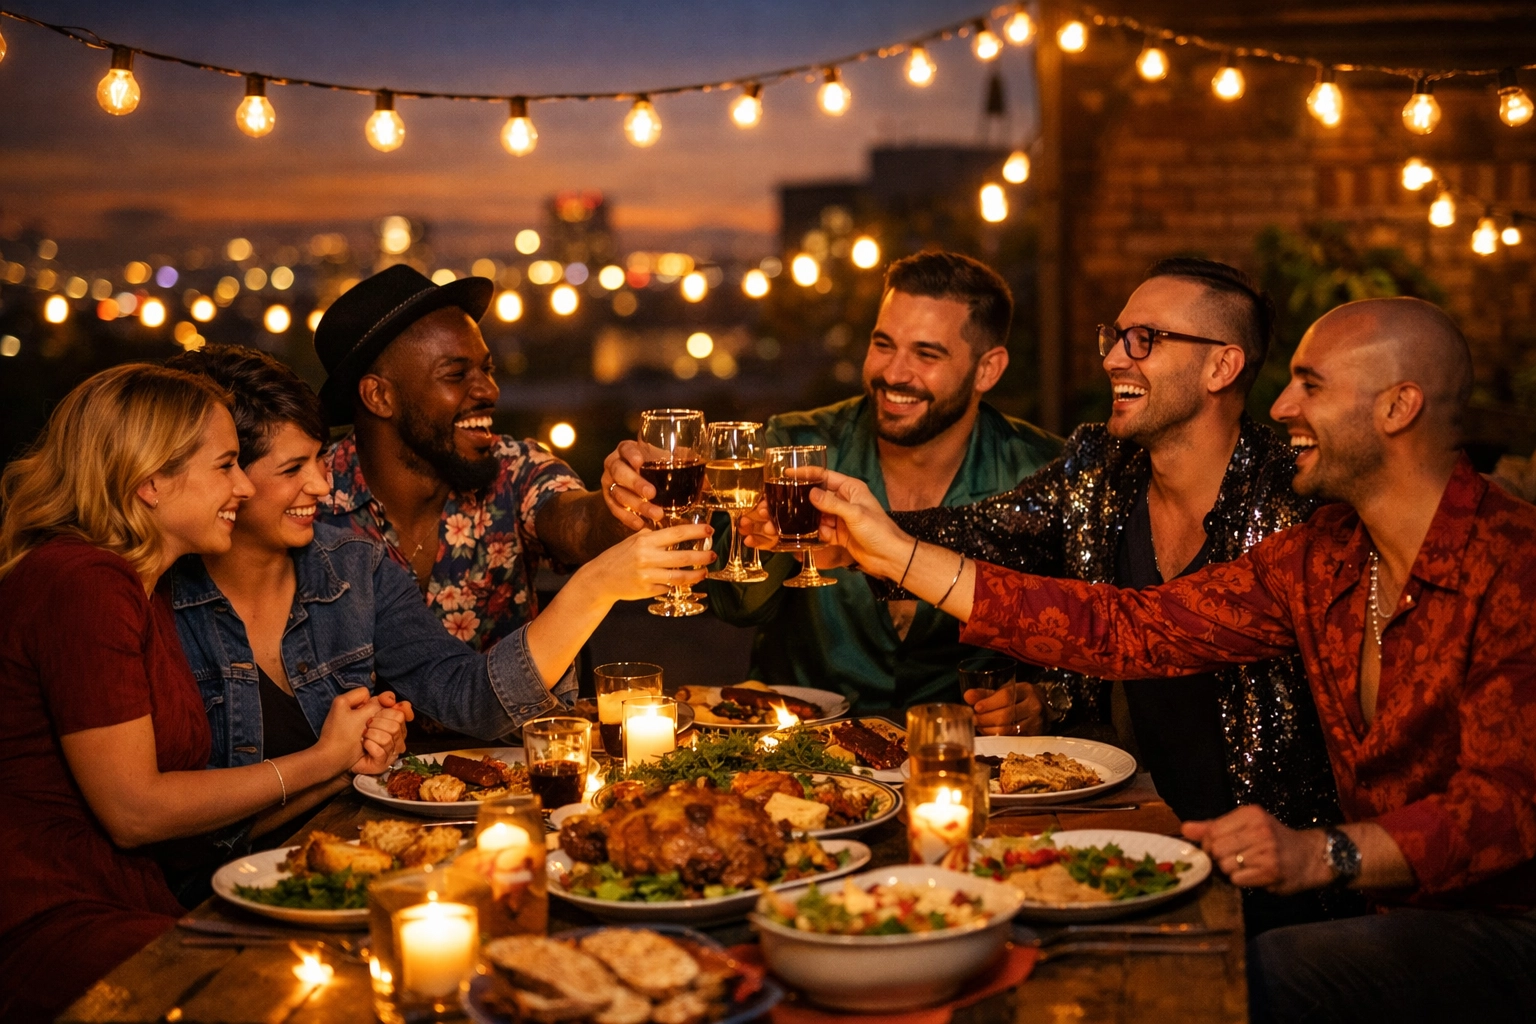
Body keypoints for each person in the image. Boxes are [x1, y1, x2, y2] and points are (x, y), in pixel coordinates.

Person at [809, 297, 1536, 1022]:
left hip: (1508, 922)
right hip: (1379, 912)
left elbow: (1506, 810)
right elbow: (1130, 626)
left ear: (1398, 407)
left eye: (1310, 385)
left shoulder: (1515, 565)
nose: (1281, 405)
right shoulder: (1325, 557)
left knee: (1256, 978)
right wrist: (896, 553)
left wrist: (1321, 854)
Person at [858, 259, 1351, 931]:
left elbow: (1133, 629)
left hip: (1274, 883)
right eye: (1114, 336)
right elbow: (988, 533)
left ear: (1221, 367)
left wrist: (886, 545)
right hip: (1120, 838)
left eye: (1145, 339)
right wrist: (856, 530)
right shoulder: (1100, 464)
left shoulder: (1299, 499)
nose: (1116, 357)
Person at [0, 365, 406, 1023]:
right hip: (50, 916)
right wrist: (322, 761)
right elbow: (135, 809)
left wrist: (344, 766)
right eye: (225, 466)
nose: (244, 486)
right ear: (151, 480)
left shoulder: (144, 586)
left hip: (133, 899)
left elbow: (192, 823)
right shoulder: (83, 582)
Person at [167, 345, 714, 796]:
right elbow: (149, 810)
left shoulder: (355, 564)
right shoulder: (151, 587)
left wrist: (609, 543)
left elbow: (470, 692)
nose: (321, 484)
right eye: (294, 468)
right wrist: (331, 761)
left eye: (316, 460)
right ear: (225, 471)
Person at [608, 251, 1060, 720]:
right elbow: (734, 605)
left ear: (988, 368)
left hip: (966, 761)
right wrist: (768, 538)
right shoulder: (796, 445)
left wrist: (1045, 700)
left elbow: (1090, 633)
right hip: (806, 759)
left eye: (926, 354)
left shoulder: (1041, 471)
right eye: (883, 345)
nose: (893, 373)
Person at [314, 265, 644, 657]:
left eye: (487, 369)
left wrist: (625, 496)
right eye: (456, 375)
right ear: (378, 397)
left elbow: (582, 525)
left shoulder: (513, 468)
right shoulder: (309, 498)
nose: (490, 389)